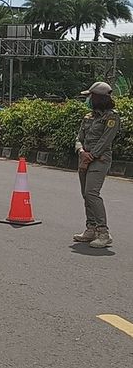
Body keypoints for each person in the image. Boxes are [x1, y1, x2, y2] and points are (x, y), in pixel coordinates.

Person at [73, 81, 119, 248]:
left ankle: (103, 232)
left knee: (92, 193)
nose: (88, 100)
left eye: (90, 97)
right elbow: (79, 138)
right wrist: (81, 152)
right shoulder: (88, 117)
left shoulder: (112, 117)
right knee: (86, 195)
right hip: (84, 159)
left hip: (100, 160)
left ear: (98, 98)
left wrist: (91, 155)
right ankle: (90, 228)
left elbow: (106, 140)